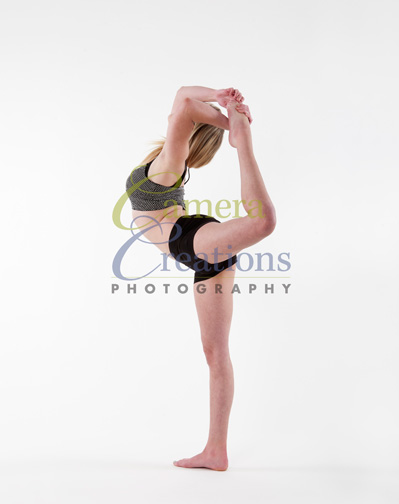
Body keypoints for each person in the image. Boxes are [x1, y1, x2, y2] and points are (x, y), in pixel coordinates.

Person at [126, 86, 276, 470]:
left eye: (179, 122)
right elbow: (182, 100)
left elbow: (185, 103)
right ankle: (215, 451)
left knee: (261, 223)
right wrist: (224, 98)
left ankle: (245, 146)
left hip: (191, 240)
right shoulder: (168, 164)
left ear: (190, 132)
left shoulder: (169, 164)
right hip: (201, 253)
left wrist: (233, 125)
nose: (171, 119)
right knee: (215, 353)